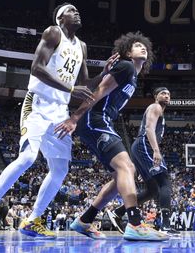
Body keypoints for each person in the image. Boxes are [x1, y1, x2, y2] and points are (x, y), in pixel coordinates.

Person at [0, 3, 101, 239]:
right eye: (72, 10)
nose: (77, 12)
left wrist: (106, 72)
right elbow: (37, 68)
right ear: (61, 17)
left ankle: (33, 220)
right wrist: (71, 89)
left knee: (60, 169)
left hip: (60, 110)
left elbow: (86, 86)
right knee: (28, 157)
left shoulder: (82, 46)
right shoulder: (53, 32)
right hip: (38, 103)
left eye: (78, 10)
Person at [59, 32, 168, 242]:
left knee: (121, 177)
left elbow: (101, 86)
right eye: (137, 46)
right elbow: (98, 91)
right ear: (127, 52)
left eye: (144, 46)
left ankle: (84, 220)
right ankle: (135, 224)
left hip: (103, 120)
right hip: (94, 119)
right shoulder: (126, 66)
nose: (143, 48)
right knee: (127, 168)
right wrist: (74, 118)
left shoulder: (133, 76)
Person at [107, 87, 179, 236]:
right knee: (165, 182)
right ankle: (165, 225)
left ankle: (118, 212)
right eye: (162, 93)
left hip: (140, 148)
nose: (166, 96)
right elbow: (148, 128)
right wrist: (156, 150)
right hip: (144, 145)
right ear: (155, 96)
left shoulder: (160, 110)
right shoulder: (155, 107)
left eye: (168, 94)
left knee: (153, 191)